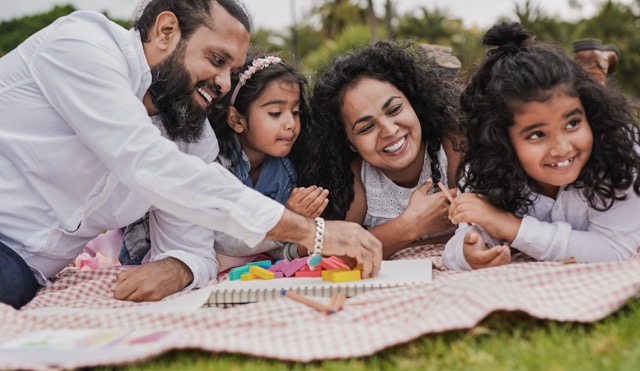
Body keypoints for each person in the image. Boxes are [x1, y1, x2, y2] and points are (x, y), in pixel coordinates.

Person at [0, 0, 381, 310]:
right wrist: (312, 232)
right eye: (217, 60)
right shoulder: (82, 45)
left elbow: (195, 248)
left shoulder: (191, 137)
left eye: (232, 70)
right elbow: (146, 163)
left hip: (22, 273)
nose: (224, 83)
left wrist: (178, 267)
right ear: (166, 32)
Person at [442, 22, 640, 271]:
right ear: (500, 141)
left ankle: (598, 64)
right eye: (537, 134)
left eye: (573, 123)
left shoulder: (620, 150)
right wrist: (469, 251)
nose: (561, 148)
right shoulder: (485, 169)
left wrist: (512, 227)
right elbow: (465, 239)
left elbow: (613, 249)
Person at [120, 50, 328, 268]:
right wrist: (287, 219)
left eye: (295, 112)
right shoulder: (214, 162)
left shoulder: (284, 171)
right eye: (275, 113)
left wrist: (302, 242)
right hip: (167, 259)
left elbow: (272, 246)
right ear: (237, 120)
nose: (291, 124)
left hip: (239, 264)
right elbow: (222, 240)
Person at [300, 41, 463, 260]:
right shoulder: (355, 175)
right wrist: (410, 225)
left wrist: (379, 239)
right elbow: (334, 256)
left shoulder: (453, 143)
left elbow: (487, 225)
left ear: (414, 103)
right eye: (366, 127)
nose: (389, 130)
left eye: (395, 109)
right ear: (349, 143)